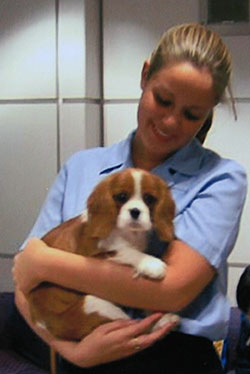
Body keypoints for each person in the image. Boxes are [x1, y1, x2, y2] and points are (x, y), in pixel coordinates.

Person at [12, 23, 247, 373]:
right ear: (145, 75)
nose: (169, 121)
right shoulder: (82, 167)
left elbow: (169, 291)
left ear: (209, 111)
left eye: (191, 115)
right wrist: (71, 352)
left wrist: (43, 262)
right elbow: (25, 289)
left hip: (175, 359)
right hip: (79, 349)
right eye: (163, 100)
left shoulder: (222, 179)